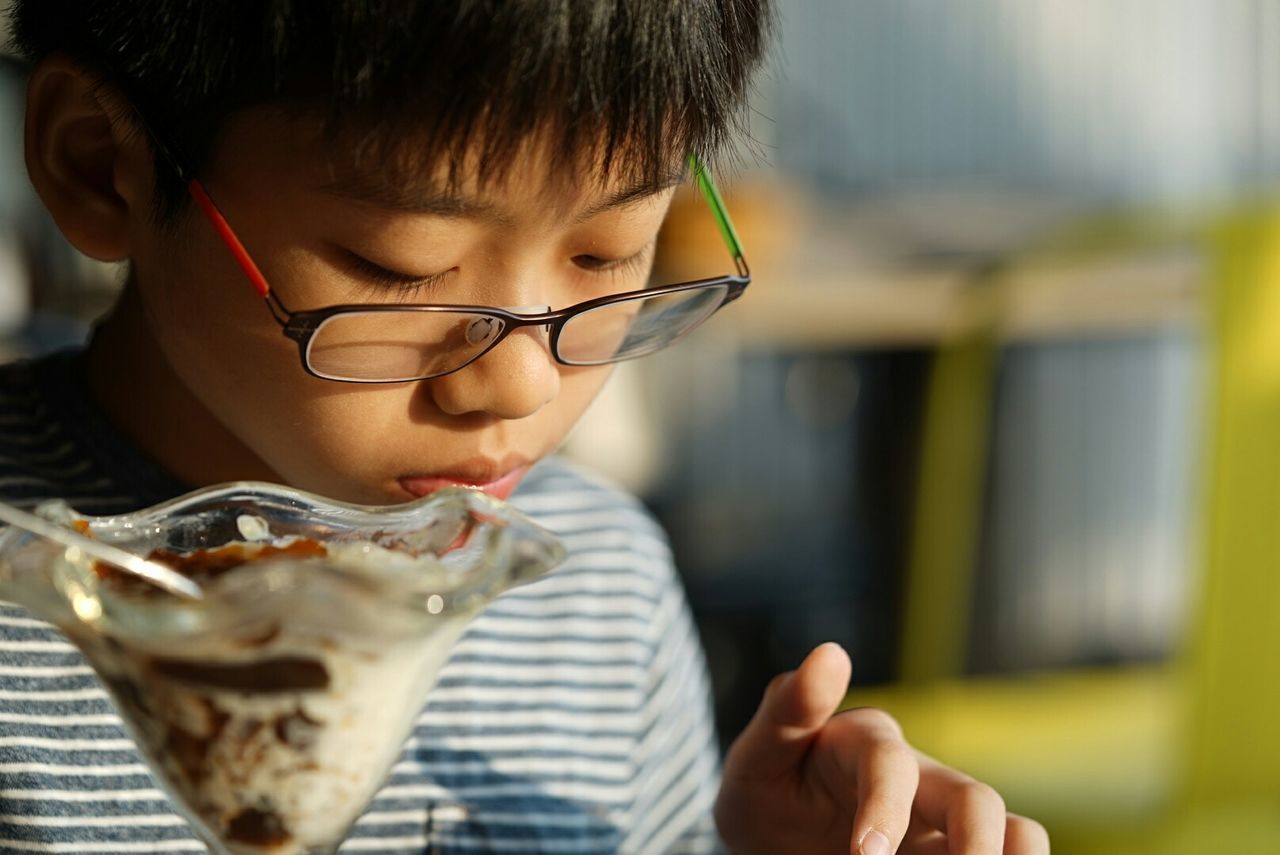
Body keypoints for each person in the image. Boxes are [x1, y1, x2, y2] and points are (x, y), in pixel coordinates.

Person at [1, 2, 1049, 853]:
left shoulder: (597, 585)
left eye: (607, 256)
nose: (517, 382)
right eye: (402, 268)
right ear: (104, 165)